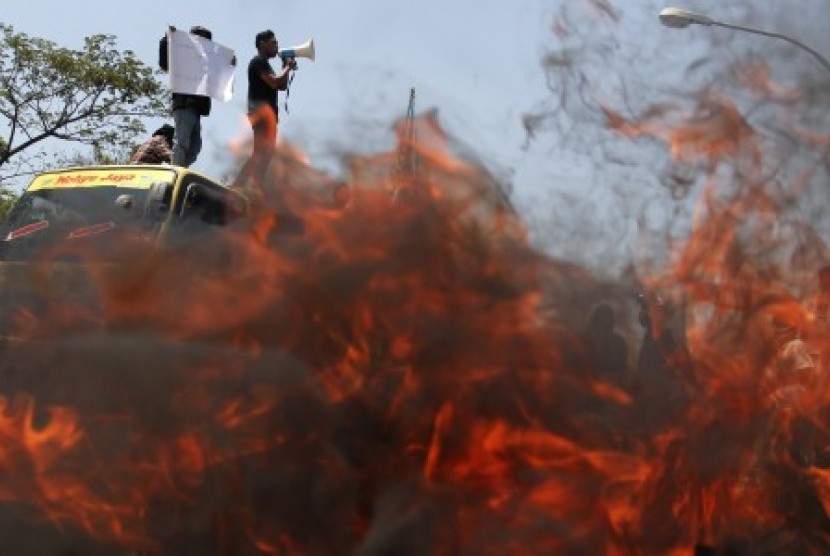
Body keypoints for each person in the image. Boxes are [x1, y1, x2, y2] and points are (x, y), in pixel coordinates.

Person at [235, 29, 297, 188]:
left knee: (266, 154)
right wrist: (288, 67)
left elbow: (281, 86)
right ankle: (240, 185)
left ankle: (256, 186)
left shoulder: (266, 65)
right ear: (262, 44)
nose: (277, 46)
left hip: (268, 116)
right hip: (261, 114)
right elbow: (275, 82)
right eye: (273, 42)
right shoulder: (258, 62)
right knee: (261, 154)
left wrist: (285, 66)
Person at [158, 25, 214, 167]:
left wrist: (228, 64)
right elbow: (165, 63)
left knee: (195, 147)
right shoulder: (182, 57)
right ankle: (175, 171)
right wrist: (167, 39)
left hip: (196, 108)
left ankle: (178, 168)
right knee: (181, 142)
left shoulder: (202, 62)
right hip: (185, 105)